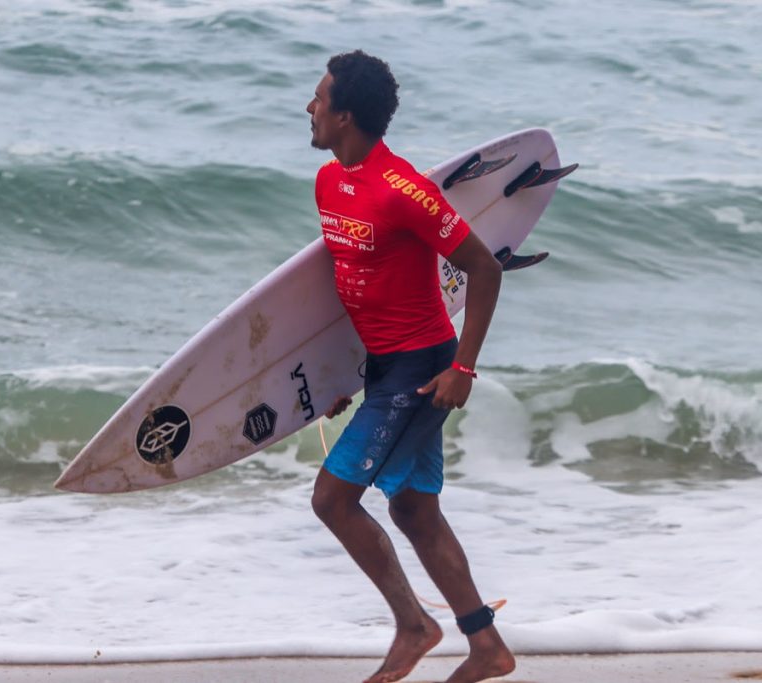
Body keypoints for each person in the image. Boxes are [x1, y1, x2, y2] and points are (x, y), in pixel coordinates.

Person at [306, 50, 516, 683]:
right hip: (381, 366)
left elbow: (484, 268)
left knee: (332, 500)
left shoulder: (405, 191)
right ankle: (486, 647)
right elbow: (353, 287)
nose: (309, 108)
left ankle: (415, 626)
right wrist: (339, 372)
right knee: (414, 509)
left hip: (421, 368)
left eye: (318, 98)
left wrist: (466, 369)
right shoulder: (328, 183)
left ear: (345, 115)